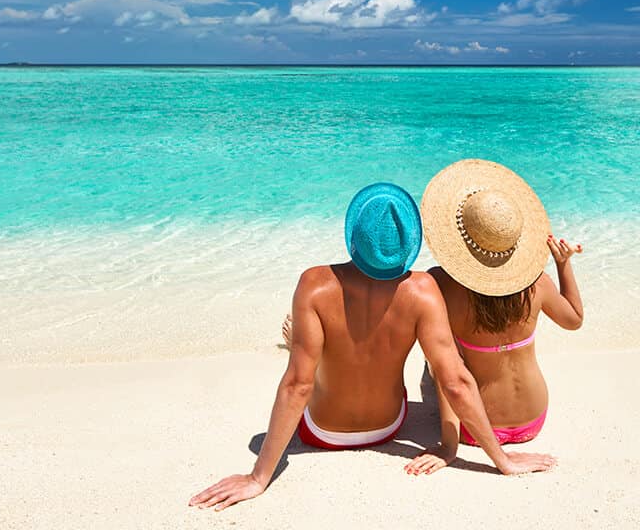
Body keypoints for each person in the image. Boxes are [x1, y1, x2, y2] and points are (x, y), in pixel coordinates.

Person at [189, 183, 555, 512]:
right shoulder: (423, 290)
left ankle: (301, 342)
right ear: (409, 245)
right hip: (387, 427)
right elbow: (456, 381)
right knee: (438, 361)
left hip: (323, 432)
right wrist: (503, 461)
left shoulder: (314, 284)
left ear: (353, 239)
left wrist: (258, 477)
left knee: (308, 363)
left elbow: (297, 386)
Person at [406, 159, 584, 476]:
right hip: (534, 419)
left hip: (475, 430)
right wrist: (563, 264)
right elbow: (574, 319)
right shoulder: (537, 283)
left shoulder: (443, 286)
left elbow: (451, 377)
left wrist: (449, 446)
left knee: (439, 358)